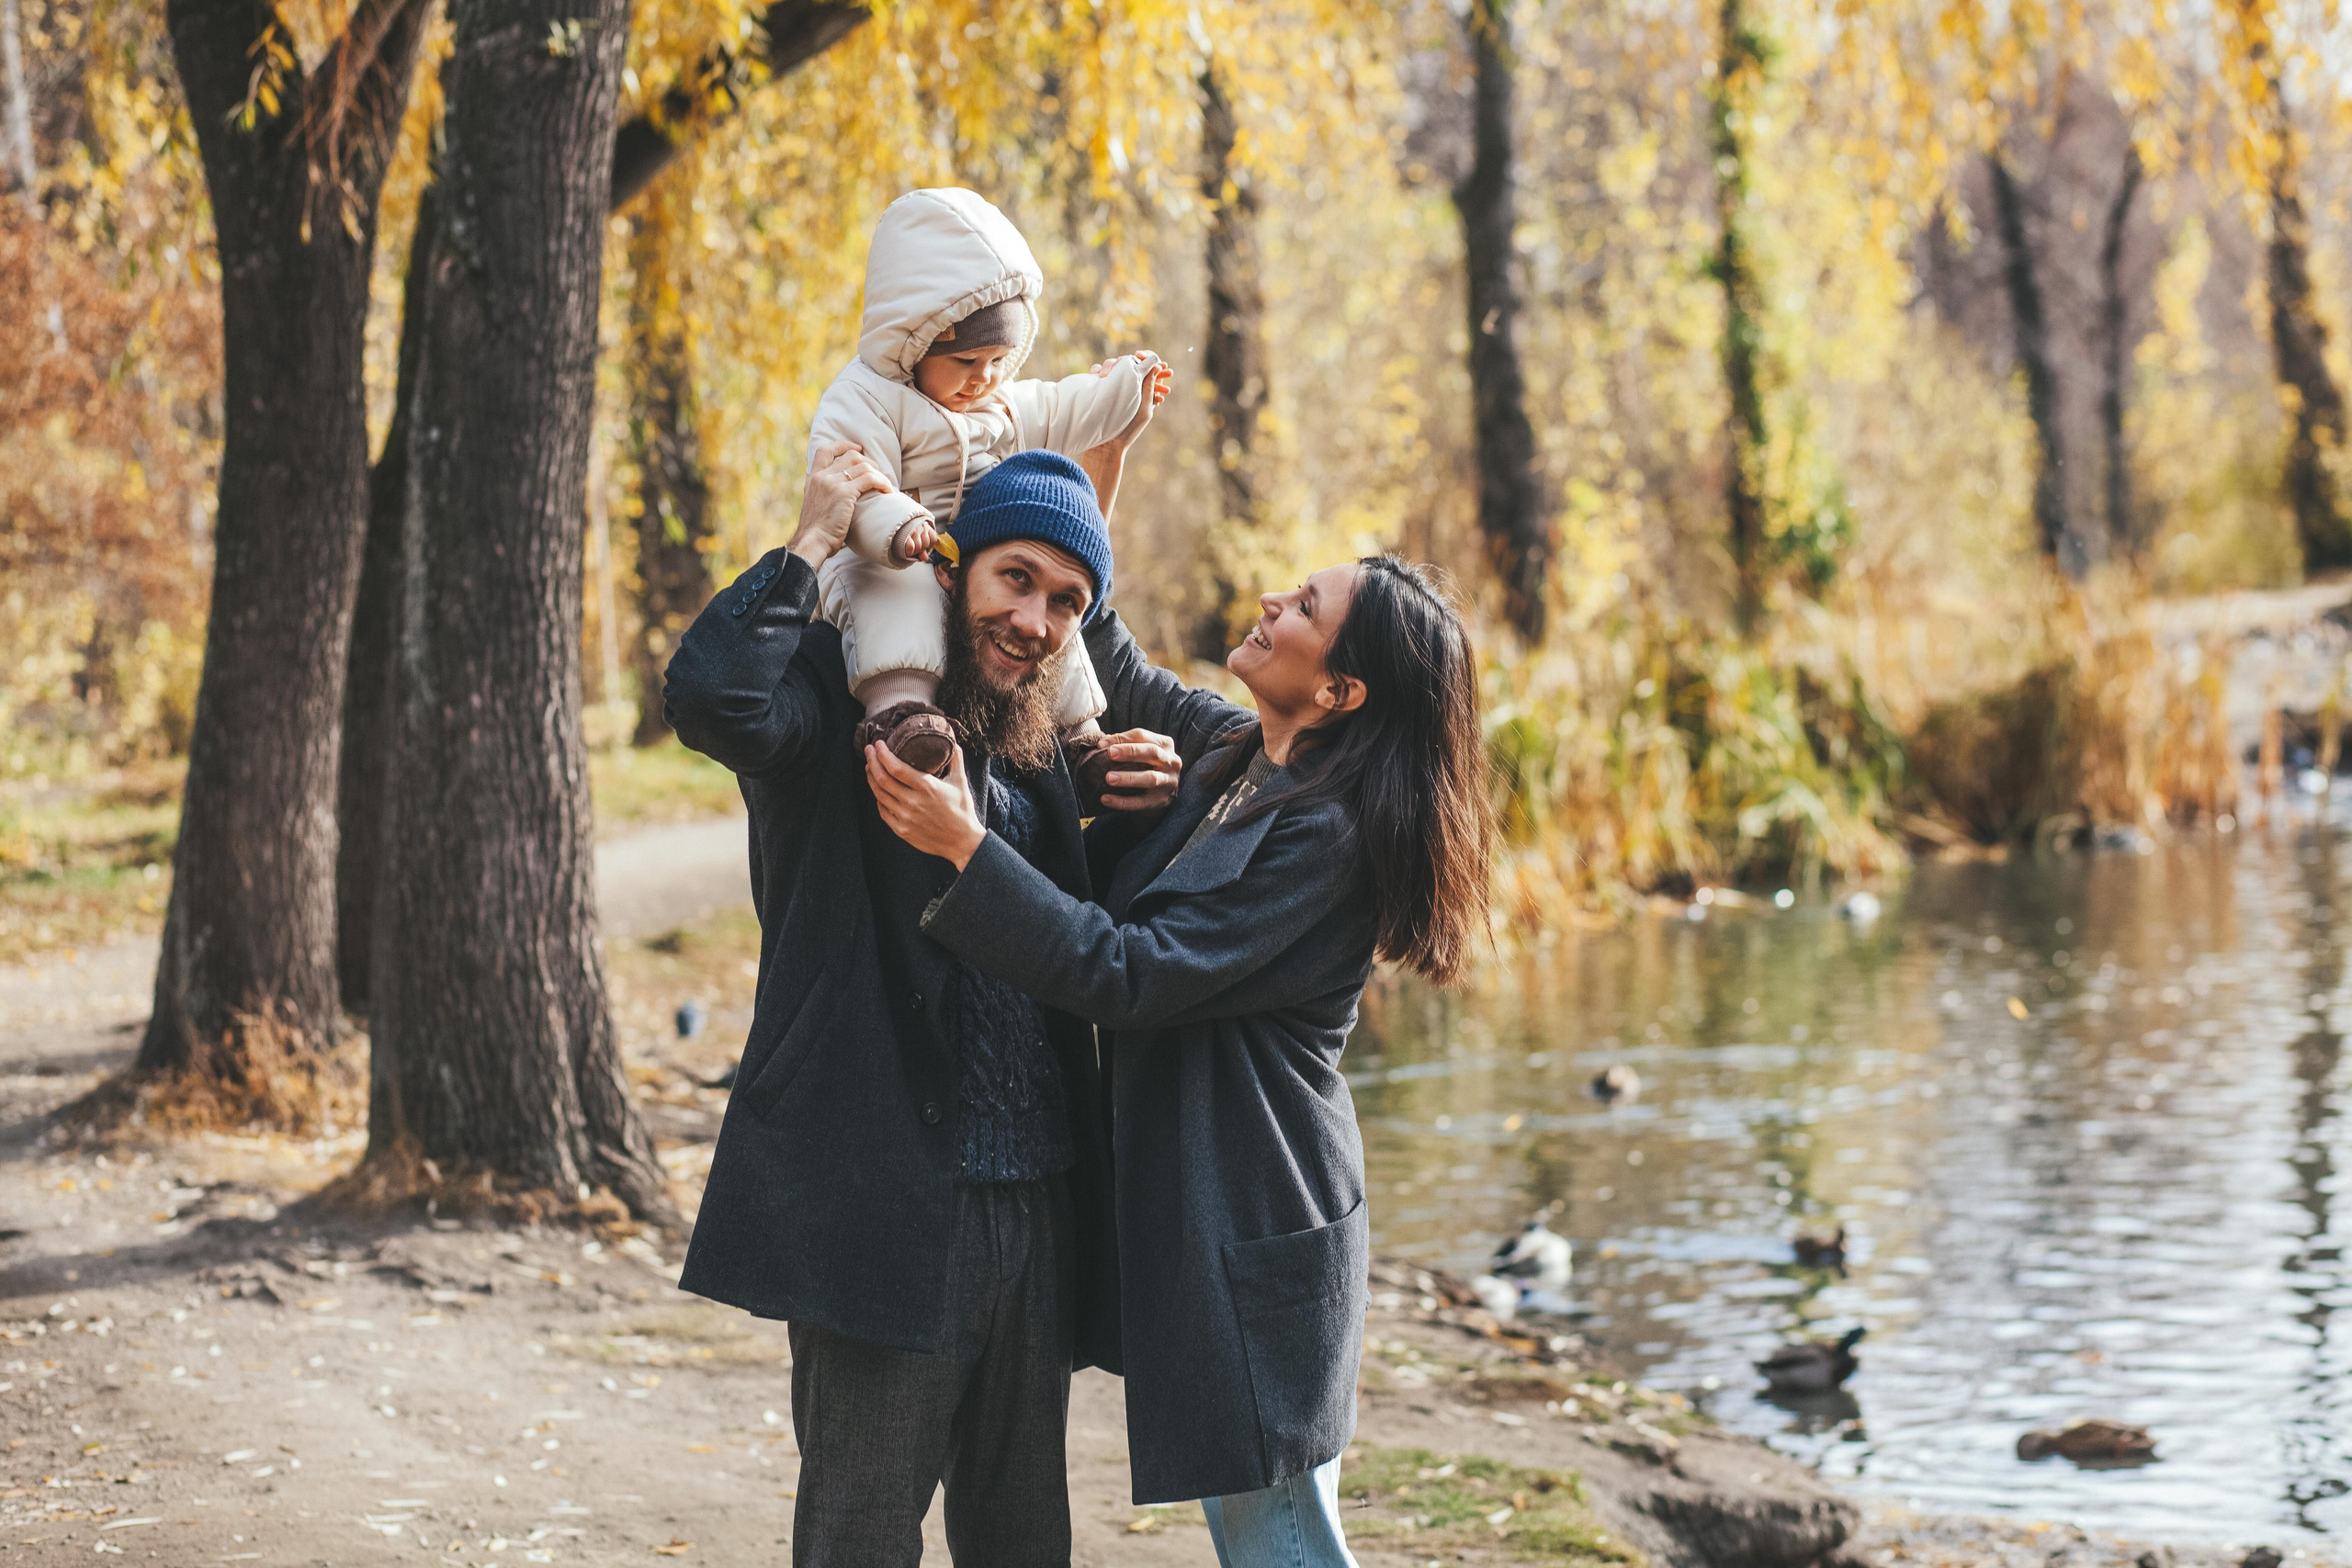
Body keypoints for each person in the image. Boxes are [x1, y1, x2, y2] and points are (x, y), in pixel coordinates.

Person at [867, 548, 1493, 1567]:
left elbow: (1129, 974)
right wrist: (1085, 482)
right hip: (1215, 1216)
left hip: (1256, 1215)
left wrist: (967, 849)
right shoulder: (1242, 751)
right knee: (1273, 1528)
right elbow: (1119, 658)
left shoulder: (1325, 841)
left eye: (1303, 607)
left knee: (1280, 1538)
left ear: (1338, 690)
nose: (1269, 601)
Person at [660, 441, 1186, 1566]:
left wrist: (1141, 798)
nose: (1036, 620)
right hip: (880, 1197)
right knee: (860, 1537)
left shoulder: (1040, 734)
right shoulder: (829, 694)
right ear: (950, 569)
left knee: (1023, 1539)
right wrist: (812, 538)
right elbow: (708, 698)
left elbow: (1062, 939)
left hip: (1037, 1205)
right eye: (1016, 579)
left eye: (1065, 603)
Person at [807, 185, 1173, 782]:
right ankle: (903, 713)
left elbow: (1059, 408)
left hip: (978, 562)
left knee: (1053, 625)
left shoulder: (997, 403)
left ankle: (1079, 736)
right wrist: (900, 531)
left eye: (999, 359)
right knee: (899, 594)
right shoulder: (867, 400)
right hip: (890, 552)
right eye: (966, 361)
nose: (984, 378)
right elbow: (859, 486)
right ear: (913, 341)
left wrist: (1123, 392)